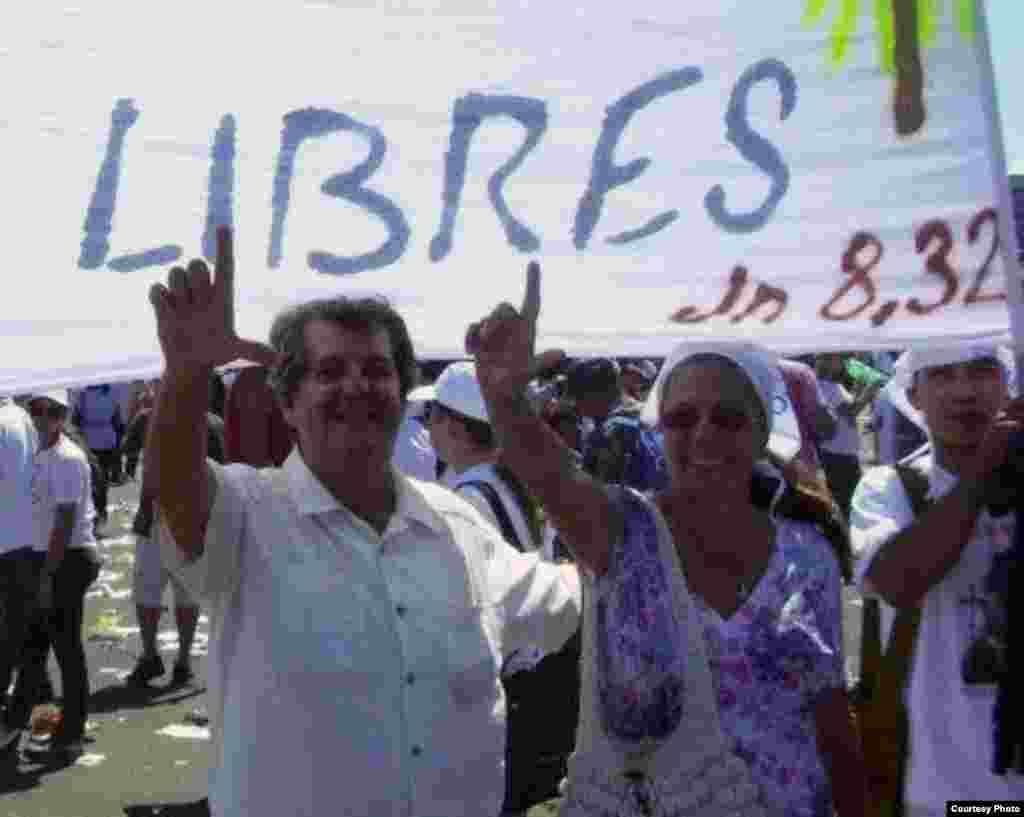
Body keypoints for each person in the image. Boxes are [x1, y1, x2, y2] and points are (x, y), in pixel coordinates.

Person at [144, 228, 580, 817]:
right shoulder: (247, 512)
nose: (356, 385)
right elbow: (177, 490)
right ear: (289, 403)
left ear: (403, 396)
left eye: (377, 370)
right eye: (328, 372)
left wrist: (512, 407)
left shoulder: (457, 525)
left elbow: (583, 591)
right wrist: (187, 376)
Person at [466, 262, 864, 816]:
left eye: (727, 418)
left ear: (760, 432)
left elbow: (830, 711)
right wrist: (506, 399)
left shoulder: (808, 550)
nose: (704, 434)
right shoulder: (622, 534)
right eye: (682, 419)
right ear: (660, 430)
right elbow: (552, 477)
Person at [850, 345, 1024, 814]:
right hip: (941, 791)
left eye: (982, 371)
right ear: (915, 395)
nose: (964, 391)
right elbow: (895, 581)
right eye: (942, 375)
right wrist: (981, 473)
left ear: (1007, 385)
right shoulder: (889, 488)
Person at [411, 360, 574, 814]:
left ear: (455, 427)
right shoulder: (510, 478)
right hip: (537, 663)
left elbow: (459, 601)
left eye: (432, 418)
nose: (429, 430)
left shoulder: (468, 497)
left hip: (504, 676)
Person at [6, 390, 101, 759]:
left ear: (61, 417)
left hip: (66, 560)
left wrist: (46, 578)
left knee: (65, 651)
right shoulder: (38, 454)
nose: (39, 417)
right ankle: (20, 724)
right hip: (46, 558)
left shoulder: (67, 458)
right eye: (34, 410)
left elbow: (63, 524)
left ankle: (70, 735)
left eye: (47, 411)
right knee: (34, 649)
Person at [123, 404, 227, 688]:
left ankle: (181, 661)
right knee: (148, 591)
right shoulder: (147, 418)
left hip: (190, 516)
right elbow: (130, 452)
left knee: (185, 592)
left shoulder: (210, 422)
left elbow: (223, 471)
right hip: (157, 515)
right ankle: (151, 655)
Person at [566, 357, 668, 494]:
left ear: (598, 391)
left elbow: (599, 496)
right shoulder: (649, 414)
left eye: (578, 396)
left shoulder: (611, 431)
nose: (576, 404)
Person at [0, 393, 39, 750]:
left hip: (5, 542)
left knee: (9, 635)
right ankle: (17, 714)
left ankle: (10, 717)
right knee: (18, 632)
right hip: (23, 539)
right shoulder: (21, 417)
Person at [815, 353, 882, 519]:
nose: (845, 363)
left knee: (849, 501)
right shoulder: (825, 386)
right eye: (841, 359)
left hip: (843, 454)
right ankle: (849, 538)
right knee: (849, 503)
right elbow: (850, 413)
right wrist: (870, 390)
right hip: (839, 456)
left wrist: (860, 385)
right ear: (830, 361)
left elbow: (848, 408)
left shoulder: (833, 385)